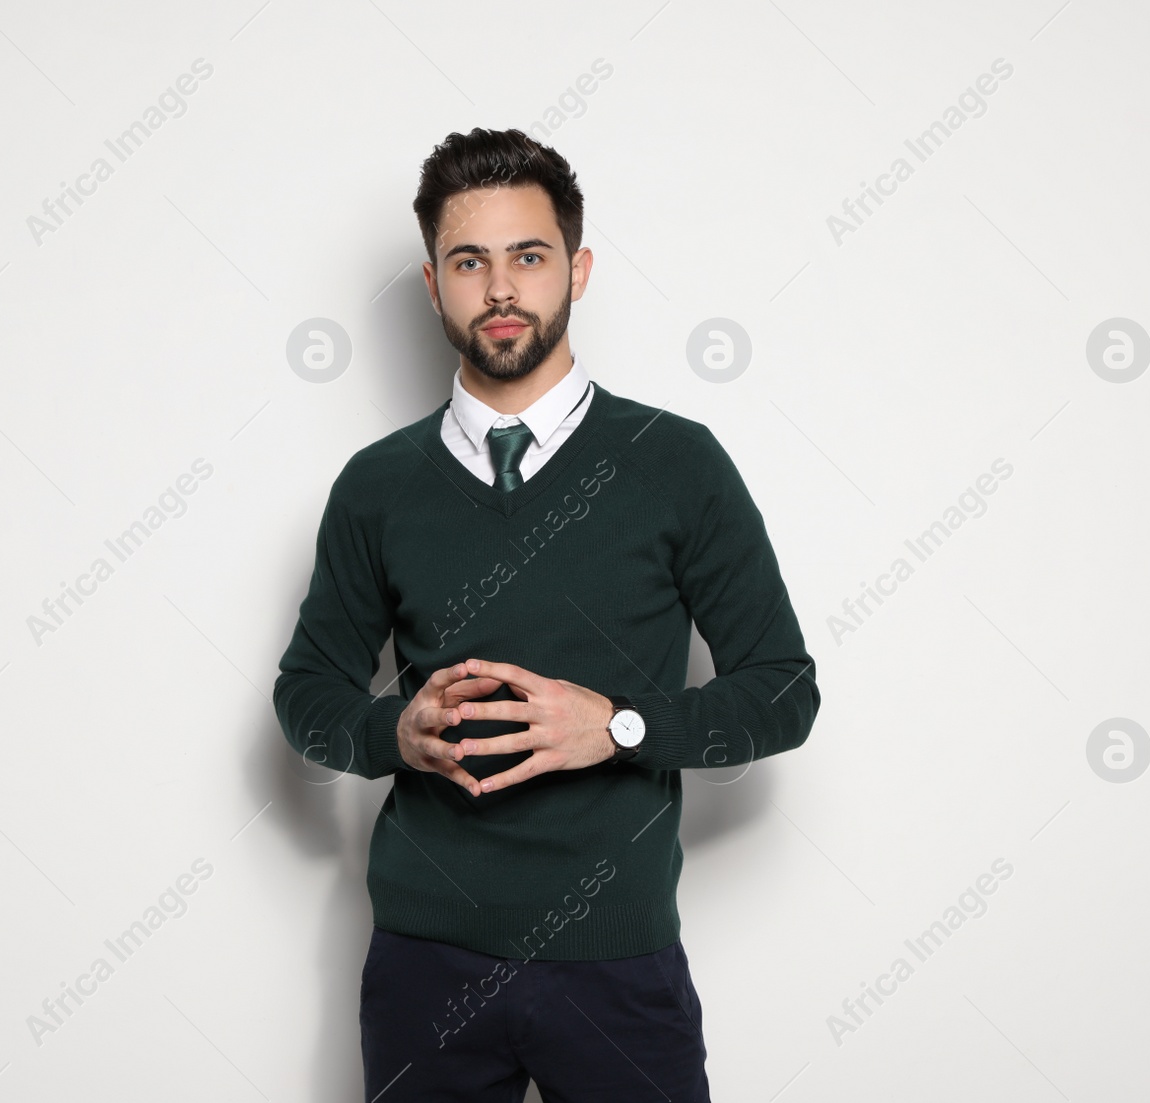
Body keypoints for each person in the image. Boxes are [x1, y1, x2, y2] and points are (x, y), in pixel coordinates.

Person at [273, 127, 820, 1102]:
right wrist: (388, 730)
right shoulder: (377, 485)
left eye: (527, 256)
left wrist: (614, 724)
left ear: (577, 269)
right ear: (434, 283)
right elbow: (305, 693)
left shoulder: (676, 463)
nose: (499, 288)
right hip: (422, 963)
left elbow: (782, 691)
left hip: (618, 966)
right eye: (468, 260)